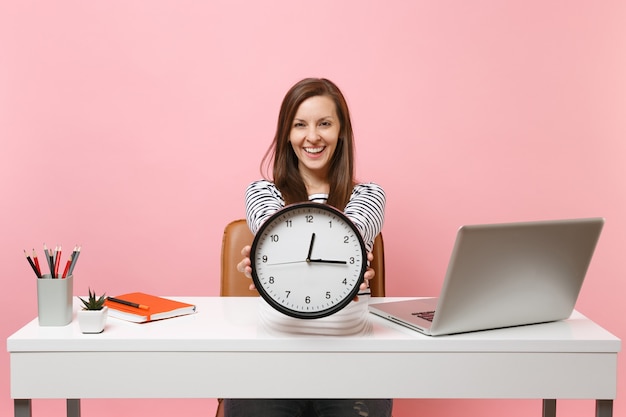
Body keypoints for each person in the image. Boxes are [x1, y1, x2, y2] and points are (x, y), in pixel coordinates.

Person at [227, 78, 391, 417]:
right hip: (273, 363)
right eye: (300, 124)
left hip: (353, 366)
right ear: (287, 133)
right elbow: (269, 227)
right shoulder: (262, 192)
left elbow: (355, 233)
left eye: (325, 124)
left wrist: (274, 260)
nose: (312, 136)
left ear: (341, 132)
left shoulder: (369, 195)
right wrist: (343, 264)